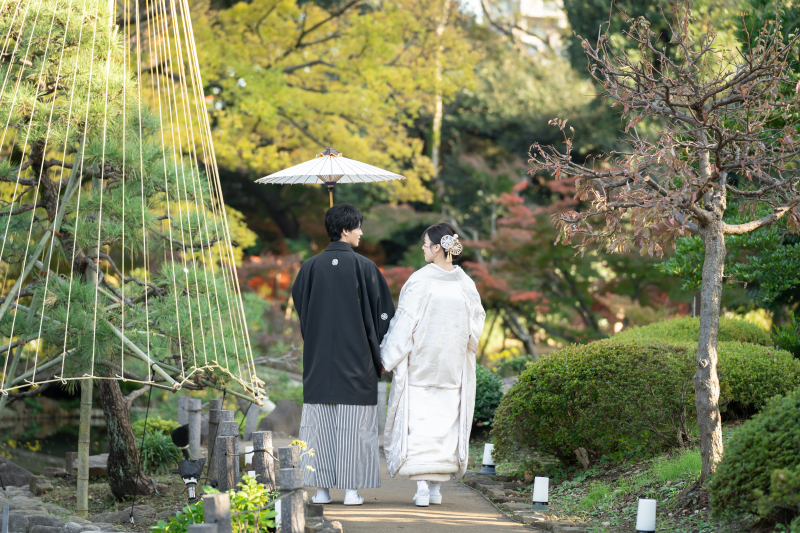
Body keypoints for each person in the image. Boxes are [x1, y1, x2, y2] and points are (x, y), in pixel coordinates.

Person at [292, 203, 395, 506]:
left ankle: (320, 490)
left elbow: (303, 312)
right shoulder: (366, 268)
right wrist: (377, 350)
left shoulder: (309, 267)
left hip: (319, 362)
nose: (362, 232)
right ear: (346, 229)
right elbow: (385, 314)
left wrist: (317, 338)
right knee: (355, 428)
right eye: (358, 227)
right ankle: (352, 491)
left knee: (319, 426)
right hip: (358, 362)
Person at [380, 222, 486, 507]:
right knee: (444, 425)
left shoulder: (419, 280)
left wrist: (387, 357)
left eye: (426, 244)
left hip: (422, 365)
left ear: (438, 247)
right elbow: (476, 321)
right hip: (451, 367)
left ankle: (424, 488)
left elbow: (403, 322)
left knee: (420, 425)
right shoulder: (466, 284)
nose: (423, 248)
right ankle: (434, 487)